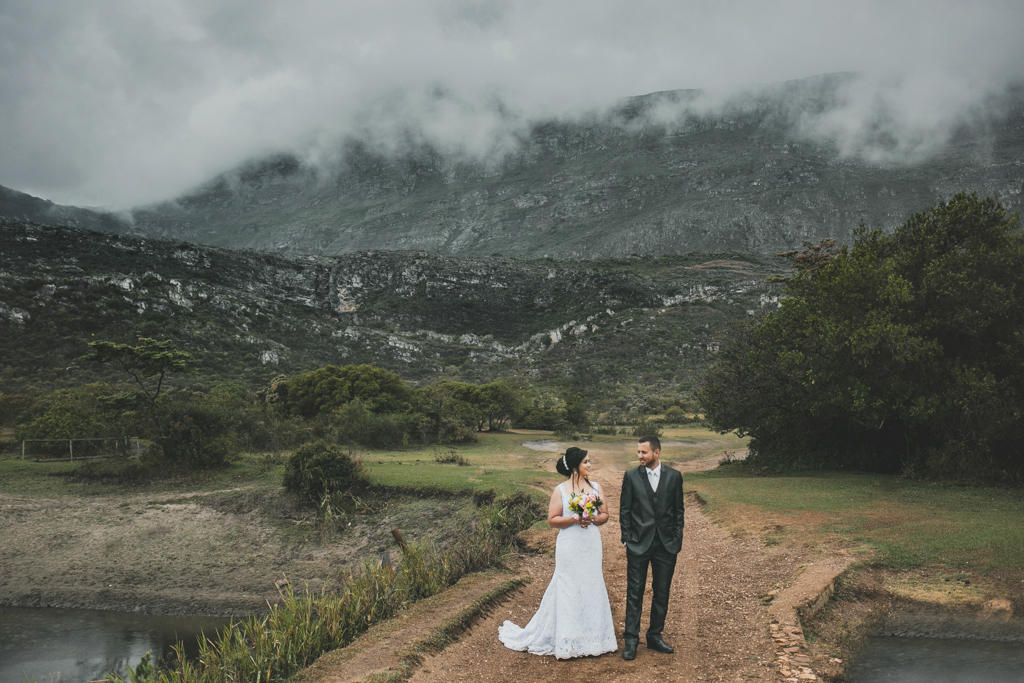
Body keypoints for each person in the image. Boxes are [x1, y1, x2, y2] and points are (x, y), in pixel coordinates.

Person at [498, 446, 618, 659]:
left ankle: (593, 637)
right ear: (575, 466)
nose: (589, 465)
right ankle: (567, 638)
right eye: (585, 462)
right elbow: (552, 520)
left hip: (591, 542)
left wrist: (593, 518)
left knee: (591, 583)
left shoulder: (596, 487)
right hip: (570, 544)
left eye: (589, 462)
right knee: (569, 586)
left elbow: (605, 515)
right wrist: (574, 518)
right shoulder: (560, 490)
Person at [619, 435, 685, 661]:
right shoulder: (630, 476)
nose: (640, 456)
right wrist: (627, 537)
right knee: (634, 592)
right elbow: (625, 509)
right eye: (638, 452)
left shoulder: (674, 477)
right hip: (638, 543)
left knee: (662, 592)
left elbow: (678, 510)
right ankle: (630, 640)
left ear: (657, 453)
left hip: (666, 546)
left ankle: (655, 636)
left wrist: (677, 539)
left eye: (644, 452)